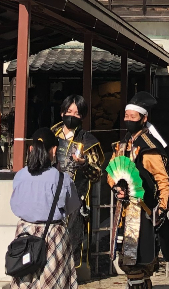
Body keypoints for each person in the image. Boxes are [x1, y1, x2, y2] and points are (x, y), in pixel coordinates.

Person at [107, 92, 169, 289]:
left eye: (132, 117)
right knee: (130, 262)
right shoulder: (122, 144)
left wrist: (161, 207)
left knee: (137, 262)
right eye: (126, 116)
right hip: (124, 211)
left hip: (144, 211)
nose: (128, 120)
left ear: (144, 119)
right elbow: (112, 171)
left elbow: (163, 180)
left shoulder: (149, 148)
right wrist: (116, 186)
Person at [9, 128, 82, 289]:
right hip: (53, 235)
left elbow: (14, 205)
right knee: (53, 282)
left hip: (24, 233)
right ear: (54, 150)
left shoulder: (20, 175)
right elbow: (72, 207)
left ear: (31, 149)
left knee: (25, 280)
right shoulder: (62, 178)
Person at [50, 95, 104, 273]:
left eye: (77, 113)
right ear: (62, 113)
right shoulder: (50, 136)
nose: (72, 116)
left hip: (75, 197)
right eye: (69, 112)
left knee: (71, 239)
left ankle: (69, 275)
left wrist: (84, 164)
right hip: (49, 196)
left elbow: (97, 174)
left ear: (83, 116)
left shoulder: (87, 141)